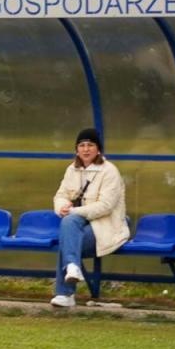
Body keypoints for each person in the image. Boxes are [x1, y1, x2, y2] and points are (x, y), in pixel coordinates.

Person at [51, 128, 128, 308]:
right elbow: (60, 195)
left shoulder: (110, 171)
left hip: (108, 225)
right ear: (77, 150)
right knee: (68, 225)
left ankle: (65, 293)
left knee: (67, 238)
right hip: (79, 223)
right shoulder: (72, 169)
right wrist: (61, 207)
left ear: (98, 149)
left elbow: (105, 207)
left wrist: (73, 211)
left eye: (90, 145)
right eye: (82, 145)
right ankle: (72, 268)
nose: (86, 149)